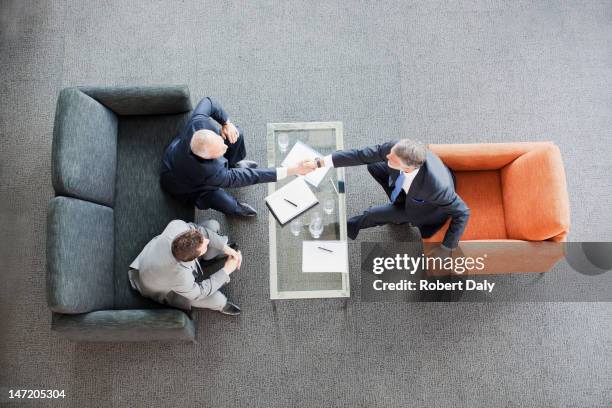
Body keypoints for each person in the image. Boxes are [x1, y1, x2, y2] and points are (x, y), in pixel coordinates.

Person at [161, 97, 315, 216]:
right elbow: (252, 176)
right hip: (187, 186)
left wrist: (226, 123)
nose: (225, 146)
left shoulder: (197, 122)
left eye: (220, 141)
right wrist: (293, 170)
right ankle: (236, 209)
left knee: (236, 134)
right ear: (209, 158)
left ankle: (232, 164)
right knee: (222, 200)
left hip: (177, 155)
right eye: (221, 151)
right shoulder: (213, 175)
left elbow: (208, 101)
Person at [309, 139, 470, 250]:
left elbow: (462, 212)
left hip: (424, 209)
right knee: (373, 165)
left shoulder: (436, 187)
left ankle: (341, 229)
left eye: (392, 160)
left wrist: (447, 247)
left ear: (407, 168)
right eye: (389, 154)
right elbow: (361, 155)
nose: (387, 157)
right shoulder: (396, 148)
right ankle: (397, 208)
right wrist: (320, 163)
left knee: (373, 214)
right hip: (410, 190)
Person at [128, 219, 243, 315]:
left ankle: (211, 256)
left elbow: (202, 232)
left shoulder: (177, 226)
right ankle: (222, 305)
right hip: (165, 288)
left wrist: (225, 248)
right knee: (217, 299)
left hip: (155, 260)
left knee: (213, 225)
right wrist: (226, 270)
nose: (207, 241)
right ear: (194, 258)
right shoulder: (179, 277)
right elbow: (199, 293)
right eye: (204, 246)